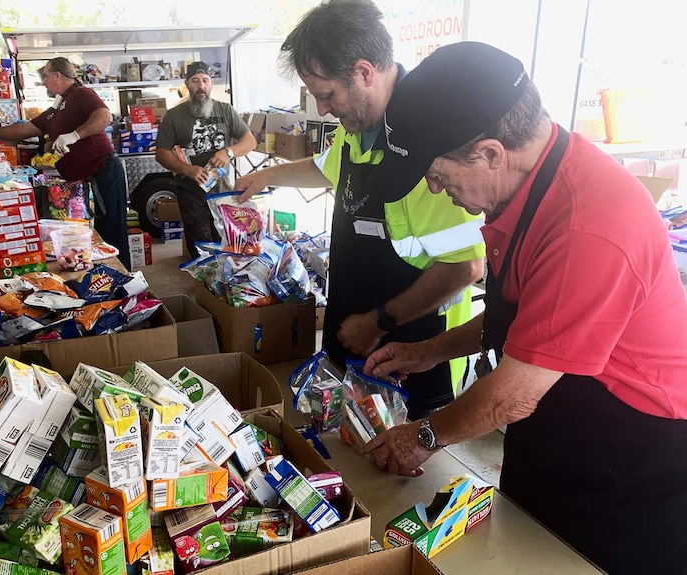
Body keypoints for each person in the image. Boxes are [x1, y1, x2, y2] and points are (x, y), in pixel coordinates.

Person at [361, 41, 687, 574]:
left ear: (490, 153)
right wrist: (430, 351)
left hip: (630, 452)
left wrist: (423, 436)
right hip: (555, 413)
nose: (434, 189)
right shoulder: (530, 185)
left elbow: (509, 398)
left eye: (439, 175)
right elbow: (523, 322)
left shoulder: (588, 226)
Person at [235, 0, 485, 418]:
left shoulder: (428, 146)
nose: (322, 110)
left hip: (411, 361)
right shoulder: (360, 128)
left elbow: (465, 267)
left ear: (365, 73)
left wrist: (378, 322)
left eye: (327, 95)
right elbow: (324, 167)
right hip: (352, 341)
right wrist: (266, 176)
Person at [0, 57, 130, 269]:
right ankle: (102, 277)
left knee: (111, 231)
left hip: (104, 172)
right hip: (84, 180)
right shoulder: (56, 107)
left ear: (57, 76)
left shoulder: (80, 94)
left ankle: (124, 282)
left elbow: (104, 116)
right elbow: (21, 131)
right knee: (94, 236)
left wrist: (74, 135)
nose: (43, 82)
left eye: (45, 76)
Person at [155, 61, 257, 258]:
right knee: (201, 245)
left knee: (227, 241)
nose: (201, 86)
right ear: (187, 84)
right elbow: (161, 153)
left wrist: (228, 151)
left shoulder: (225, 110)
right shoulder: (174, 116)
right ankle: (203, 285)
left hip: (222, 191)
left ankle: (222, 284)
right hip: (191, 191)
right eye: (195, 81)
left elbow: (249, 141)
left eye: (205, 80)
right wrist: (187, 169)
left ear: (211, 83)